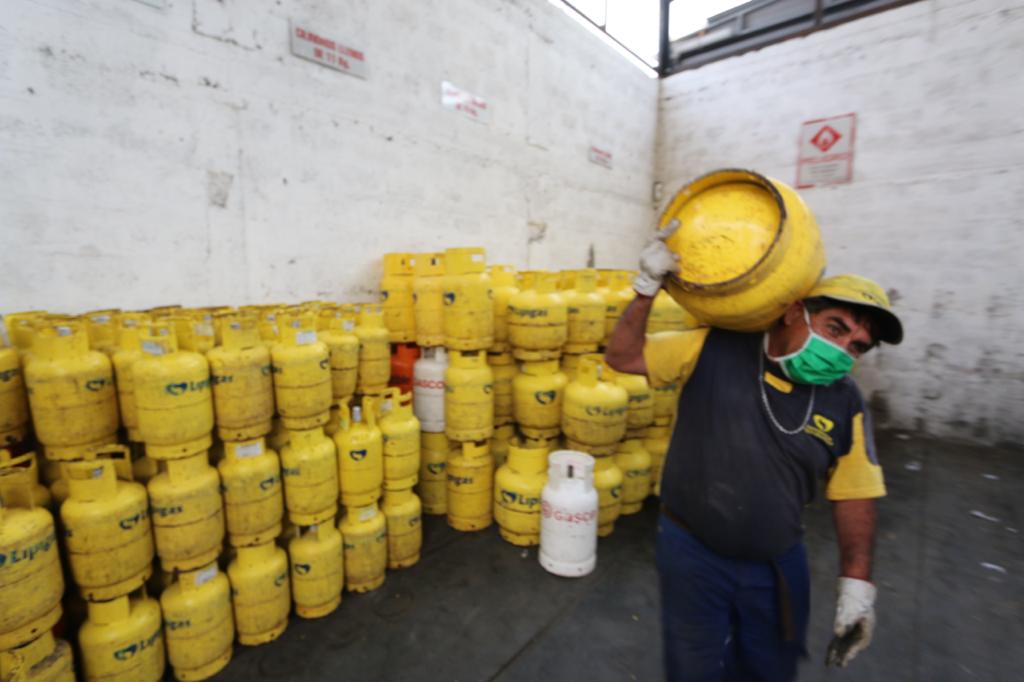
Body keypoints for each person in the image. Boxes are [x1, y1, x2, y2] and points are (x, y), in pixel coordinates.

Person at [605, 221, 904, 682]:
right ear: (795, 313)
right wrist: (646, 289)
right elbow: (623, 357)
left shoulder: (845, 401)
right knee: (692, 667)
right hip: (691, 554)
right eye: (835, 328)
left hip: (776, 565)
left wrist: (857, 586)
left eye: (856, 346)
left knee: (769, 671)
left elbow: (855, 493)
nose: (842, 349)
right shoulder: (712, 346)